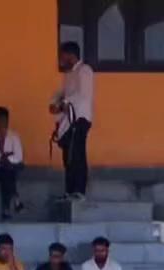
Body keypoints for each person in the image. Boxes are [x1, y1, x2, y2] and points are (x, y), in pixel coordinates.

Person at [51, 41, 95, 200]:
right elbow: (63, 93)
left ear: (70, 55)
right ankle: (69, 191)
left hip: (80, 119)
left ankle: (79, 191)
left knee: (77, 155)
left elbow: (82, 95)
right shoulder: (69, 75)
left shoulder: (85, 71)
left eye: (63, 55)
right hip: (68, 121)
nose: (61, 59)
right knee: (68, 157)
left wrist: (63, 104)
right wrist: (54, 103)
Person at [0, 106, 26, 218]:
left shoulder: (14, 136)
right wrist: (1, 158)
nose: (3, 123)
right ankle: (16, 199)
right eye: (0, 120)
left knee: (7, 174)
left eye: (5, 120)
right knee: (7, 174)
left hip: (8, 168)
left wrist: (5, 159)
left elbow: (19, 157)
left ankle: (6, 210)